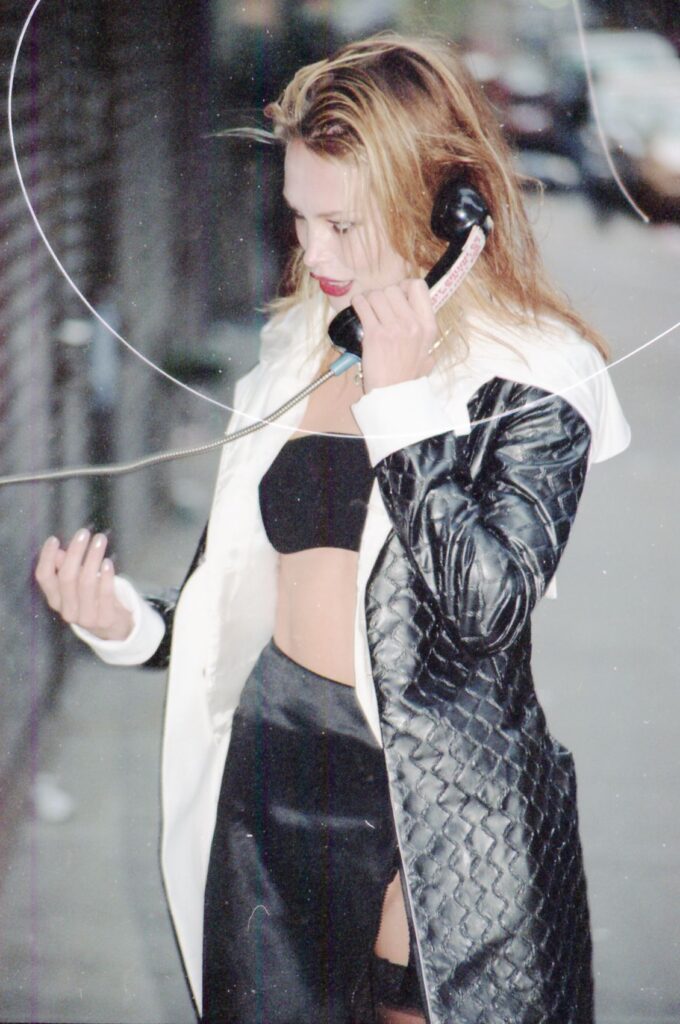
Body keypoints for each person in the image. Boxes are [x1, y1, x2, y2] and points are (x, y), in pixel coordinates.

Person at [35, 34, 630, 1024]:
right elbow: (236, 597)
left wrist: (401, 406)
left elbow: (486, 605)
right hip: (275, 776)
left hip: (433, 802)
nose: (314, 255)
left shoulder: (535, 376)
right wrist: (125, 623)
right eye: (300, 220)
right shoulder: (299, 349)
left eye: (343, 225)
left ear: (447, 209)